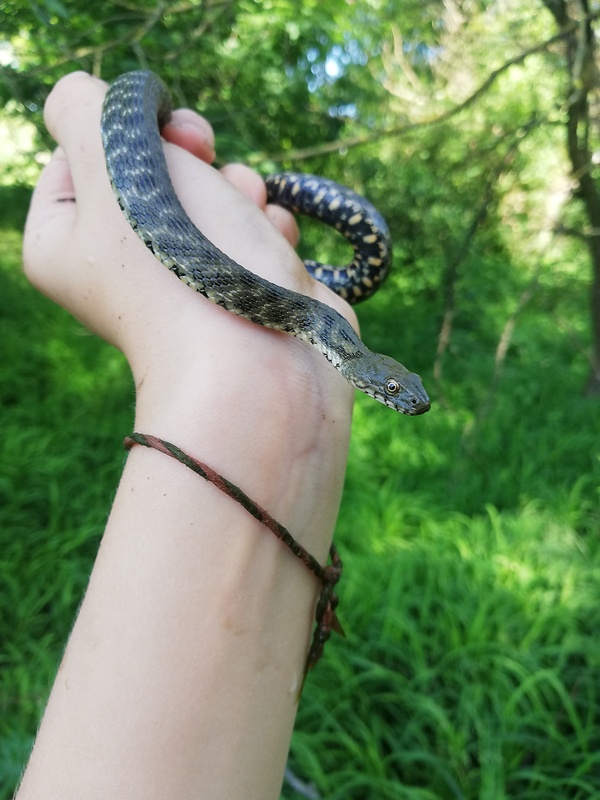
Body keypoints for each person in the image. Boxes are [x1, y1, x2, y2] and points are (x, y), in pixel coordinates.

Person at [16, 72, 355, 800]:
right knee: (123, 91)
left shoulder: (314, 325)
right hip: (156, 153)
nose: (395, 398)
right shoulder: (306, 325)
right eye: (390, 390)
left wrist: (266, 393)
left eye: (395, 393)